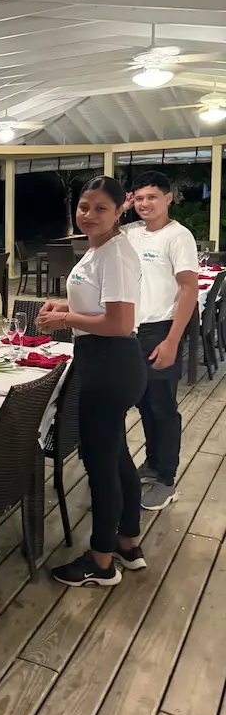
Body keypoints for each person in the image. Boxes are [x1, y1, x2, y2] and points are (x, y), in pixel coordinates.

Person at [37, 176, 147, 587]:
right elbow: (99, 305)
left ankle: (101, 563)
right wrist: (67, 306)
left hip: (109, 365)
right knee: (116, 457)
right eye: (84, 206)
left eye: (100, 208)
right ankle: (127, 542)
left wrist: (65, 319)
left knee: (101, 467)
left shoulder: (115, 254)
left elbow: (120, 322)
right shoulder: (101, 250)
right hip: (106, 362)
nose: (88, 215)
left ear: (121, 209)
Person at [122, 171, 198, 510]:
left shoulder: (178, 236)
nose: (144, 204)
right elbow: (93, 232)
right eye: (138, 198)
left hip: (160, 330)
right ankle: (152, 463)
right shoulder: (131, 232)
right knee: (144, 403)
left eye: (151, 197)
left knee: (163, 407)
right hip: (132, 332)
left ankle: (166, 479)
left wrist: (171, 340)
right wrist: (120, 207)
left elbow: (189, 289)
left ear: (169, 197)